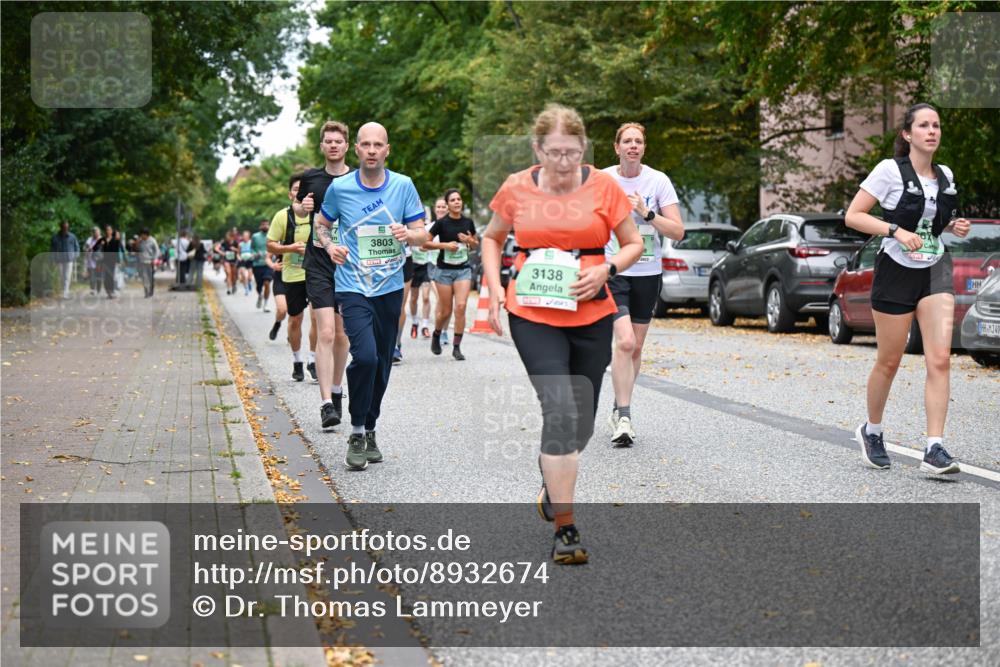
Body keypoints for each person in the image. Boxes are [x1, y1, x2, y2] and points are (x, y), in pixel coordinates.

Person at [480, 104, 641, 564]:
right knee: (560, 410)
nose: (564, 163)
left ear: (584, 148)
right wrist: (493, 291)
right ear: (537, 149)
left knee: (581, 426)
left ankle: (553, 477)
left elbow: (634, 243)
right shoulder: (516, 187)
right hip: (532, 312)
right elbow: (492, 237)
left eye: (572, 153)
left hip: (591, 312)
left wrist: (607, 268)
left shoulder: (604, 186)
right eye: (554, 153)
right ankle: (565, 528)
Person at [845, 102, 968, 476]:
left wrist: (953, 227)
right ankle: (873, 430)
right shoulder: (888, 171)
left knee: (940, 358)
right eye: (924, 125)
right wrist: (895, 231)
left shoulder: (944, 175)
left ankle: (934, 448)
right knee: (890, 360)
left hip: (934, 270)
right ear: (907, 134)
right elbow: (854, 216)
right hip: (895, 270)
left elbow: (933, 223)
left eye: (937, 125)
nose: (932, 131)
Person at [315, 121, 429, 470]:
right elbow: (321, 224)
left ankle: (371, 426)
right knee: (363, 357)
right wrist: (330, 245)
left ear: (387, 150)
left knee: (381, 362)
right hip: (352, 286)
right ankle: (355, 430)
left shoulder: (403, 185)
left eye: (378, 144)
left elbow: (422, 233)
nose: (371, 150)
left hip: (390, 287)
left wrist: (408, 235)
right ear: (357, 149)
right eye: (365, 144)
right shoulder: (340, 188)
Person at [603, 123, 684, 446]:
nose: (633, 146)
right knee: (623, 342)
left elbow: (677, 232)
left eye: (638, 141)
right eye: (627, 141)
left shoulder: (658, 181)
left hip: (648, 272)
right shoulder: (604, 179)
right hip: (615, 268)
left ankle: (618, 405)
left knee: (635, 346)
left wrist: (646, 213)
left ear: (644, 148)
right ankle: (624, 415)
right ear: (617, 147)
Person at [294, 120, 353, 428]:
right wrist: (302, 207)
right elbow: (299, 208)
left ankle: (337, 388)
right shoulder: (311, 178)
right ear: (322, 146)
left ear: (346, 146)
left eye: (338, 141)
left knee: (343, 335)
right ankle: (326, 404)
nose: (333, 145)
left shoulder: (357, 179)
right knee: (326, 332)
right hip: (317, 262)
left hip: (347, 265)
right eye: (328, 141)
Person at [269, 173, 318, 381]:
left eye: (304, 188)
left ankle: (313, 360)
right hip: (291, 274)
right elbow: (270, 244)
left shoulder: (318, 214)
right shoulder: (282, 216)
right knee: (295, 319)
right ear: (291, 194)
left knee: (318, 318)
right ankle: (297, 360)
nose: (300, 192)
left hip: (316, 273)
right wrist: (290, 248)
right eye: (297, 189)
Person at [426, 189, 478, 360]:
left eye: (459, 199)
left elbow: (476, 245)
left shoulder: (468, 222)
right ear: (447, 204)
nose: (457, 202)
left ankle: (457, 347)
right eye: (453, 200)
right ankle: (436, 334)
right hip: (444, 271)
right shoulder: (441, 223)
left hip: (463, 270)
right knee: (445, 311)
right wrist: (445, 246)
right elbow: (424, 244)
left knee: (461, 307)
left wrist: (470, 241)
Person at [408, 198, 446, 339]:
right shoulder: (409, 227)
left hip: (426, 265)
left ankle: (425, 325)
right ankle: (414, 322)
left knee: (425, 297)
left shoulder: (429, 227)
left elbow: (428, 245)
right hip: (414, 265)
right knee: (413, 298)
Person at [50, 221, 80, 299]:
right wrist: (53, 259)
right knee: (61, 276)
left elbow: (77, 247)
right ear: (61, 227)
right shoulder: (55, 237)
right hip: (59, 260)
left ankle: (65, 293)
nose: (65, 229)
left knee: (67, 276)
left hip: (69, 259)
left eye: (67, 227)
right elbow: (52, 250)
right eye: (64, 227)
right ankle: (62, 291)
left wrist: (75, 256)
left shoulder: (72, 237)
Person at [251, 220, 273, 310]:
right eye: (263, 224)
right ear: (260, 226)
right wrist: (255, 253)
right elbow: (251, 248)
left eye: (267, 224)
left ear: (269, 225)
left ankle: (266, 304)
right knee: (259, 285)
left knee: (267, 283)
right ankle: (260, 295)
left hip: (269, 264)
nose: (265, 226)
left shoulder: (272, 235)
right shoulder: (255, 236)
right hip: (257, 264)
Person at [99, 225, 122, 298]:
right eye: (106, 230)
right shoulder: (103, 240)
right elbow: (102, 251)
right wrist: (102, 245)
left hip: (112, 261)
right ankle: (108, 291)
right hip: (105, 260)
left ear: (111, 231)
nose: (108, 231)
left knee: (111, 276)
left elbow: (117, 250)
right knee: (106, 277)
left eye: (109, 230)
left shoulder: (115, 240)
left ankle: (111, 291)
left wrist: (118, 240)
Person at [215, 230, 239, 294]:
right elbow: (216, 248)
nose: (227, 238)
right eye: (226, 237)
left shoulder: (235, 243)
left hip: (234, 260)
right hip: (226, 260)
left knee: (233, 275)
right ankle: (229, 289)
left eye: (228, 237)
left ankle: (234, 285)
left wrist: (235, 249)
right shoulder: (224, 243)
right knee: (228, 273)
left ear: (232, 237)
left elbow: (240, 251)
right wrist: (222, 253)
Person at [137, 229, 159, 297]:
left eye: (142, 235)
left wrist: (154, 259)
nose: (141, 236)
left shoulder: (152, 240)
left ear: (146, 234)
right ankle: (146, 291)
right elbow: (138, 250)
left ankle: (150, 291)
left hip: (150, 262)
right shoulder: (141, 241)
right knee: (144, 277)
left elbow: (157, 251)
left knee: (150, 278)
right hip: (142, 261)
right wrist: (137, 243)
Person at [84, 227, 102, 295]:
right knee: (92, 275)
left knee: (99, 276)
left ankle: (98, 289)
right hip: (91, 260)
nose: (97, 234)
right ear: (93, 233)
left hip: (99, 261)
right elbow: (86, 247)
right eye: (95, 233)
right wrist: (88, 249)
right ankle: (92, 289)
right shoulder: (89, 239)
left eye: (98, 233)